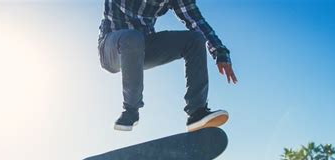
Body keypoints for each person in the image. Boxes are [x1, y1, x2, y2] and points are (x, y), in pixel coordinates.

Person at [98, 0, 238, 131]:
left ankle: (197, 113)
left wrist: (219, 51)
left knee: (195, 39)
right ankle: (130, 110)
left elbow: (196, 21)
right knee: (132, 37)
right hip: (111, 48)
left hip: (144, 48)